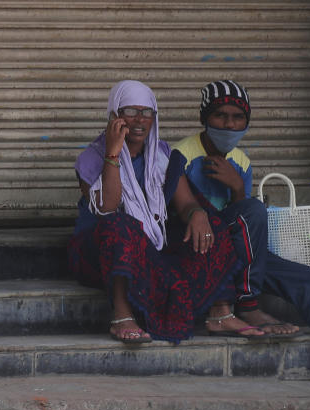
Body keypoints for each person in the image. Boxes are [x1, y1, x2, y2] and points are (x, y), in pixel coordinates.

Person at [172, 80, 310, 387]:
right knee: (254, 209)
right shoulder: (181, 155)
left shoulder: (242, 161)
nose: (229, 124)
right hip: (201, 250)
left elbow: (245, 224)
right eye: (220, 115)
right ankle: (249, 306)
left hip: (240, 254)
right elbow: (183, 213)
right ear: (204, 118)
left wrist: (238, 187)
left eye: (238, 117)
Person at [67, 80, 264, 344]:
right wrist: (113, 153)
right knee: (120, 225)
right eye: (130, 111)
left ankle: (220, 312)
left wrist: (197, 213)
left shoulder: (162, 155)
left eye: (146, 112)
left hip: (150, 246)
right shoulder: (92, 158)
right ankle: (122, 316)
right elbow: (107, 209)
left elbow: (185, 204)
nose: (139, 120)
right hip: (99, 253)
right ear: (114, 115)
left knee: (212, 222)